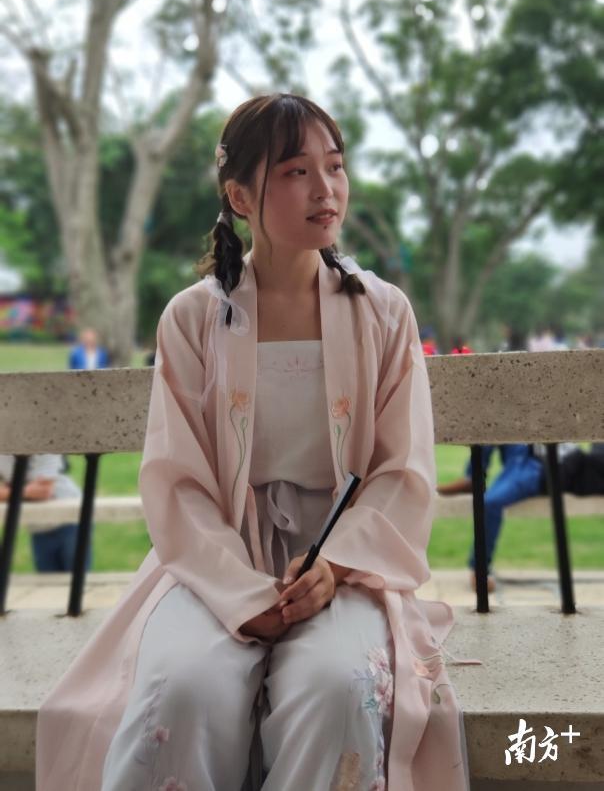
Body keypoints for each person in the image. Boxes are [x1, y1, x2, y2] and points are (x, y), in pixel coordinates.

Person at [36, 93, 479, 791]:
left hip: (345, 562)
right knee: (184, 689)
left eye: (334, 166)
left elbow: (402, 469)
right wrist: (243, 592)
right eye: (296, 171)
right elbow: (177, 480)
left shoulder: (383, 313)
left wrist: (334, 563)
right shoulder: (194, 318)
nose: (325, 188)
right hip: (216, 557)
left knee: (339, 686)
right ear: (240, 196)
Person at [438, 443, 581, 592]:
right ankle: (473, 477)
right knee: (492, 429)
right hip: (523, 453)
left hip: (540, 464)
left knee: (491, 503)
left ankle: (480, 569)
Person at [0, 453, 91, 573]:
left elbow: (44, 491)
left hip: (70, 519)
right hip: (38, 526)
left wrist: (8, 492)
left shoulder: (45, 446)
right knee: (47, 578)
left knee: (76, 575)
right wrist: (28, 490)